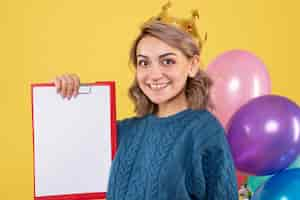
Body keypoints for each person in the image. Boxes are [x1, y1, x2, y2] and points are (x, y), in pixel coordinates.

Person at [53, 2, 238, 199]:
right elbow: (62, 153)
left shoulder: (204, 131)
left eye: (167, 61)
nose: (154, 74)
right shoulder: (122, 131)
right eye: (144, 62)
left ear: (192, 65)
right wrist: (65, 98)